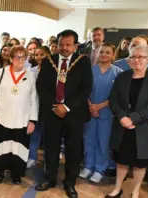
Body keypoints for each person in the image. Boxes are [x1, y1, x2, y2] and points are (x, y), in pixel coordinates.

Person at [35, 30, 93, 198]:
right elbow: (41, 86)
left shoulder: (83, 62)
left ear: (75, 45)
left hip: (74, 114)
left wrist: (66, 107)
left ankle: (70, 183)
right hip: (51, 113)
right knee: (50, 147)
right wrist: (54, 106)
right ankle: (49, 178)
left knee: (73, 150)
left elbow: (86, 88)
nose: (64, 48)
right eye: (61, 44)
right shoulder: (48, 61)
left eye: (68, 44)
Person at [106, 45, 148, 198]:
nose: (136, 60)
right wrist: (122, 117)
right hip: (123, 126)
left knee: (140, 163)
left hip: (144, 127)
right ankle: (117, 188)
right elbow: (113, 100)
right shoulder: (122, 76)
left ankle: (135, 190)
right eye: (133, 57)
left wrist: (133, 118)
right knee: (122, 160)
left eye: (140, 57)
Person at [0, 46, 38, 185]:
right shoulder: (1, 72)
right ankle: (0, 172)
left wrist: (32, 120)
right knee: (2, 146)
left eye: (23, 56)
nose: (20, 59)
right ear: (10, 58)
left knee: (19, 148)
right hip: (3, 117)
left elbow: (34, 99)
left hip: (22, 119)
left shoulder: (30, 75)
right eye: (17, 56)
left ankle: (17, 173)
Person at [79, 43, 123, 183]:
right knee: (89, 140)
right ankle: (88, 166)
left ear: (113, 55)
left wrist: (99, 107)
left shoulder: (118, 73)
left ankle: (99, 169)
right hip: (89, 111)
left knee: (103, 142)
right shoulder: (90, 70)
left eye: (108, 52)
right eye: (101, 52)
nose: (104, 54)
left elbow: (117, 95)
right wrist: (91, 106)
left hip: (107, 113)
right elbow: (83, 90)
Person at [27, 46, 50, 168]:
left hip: (47, 108)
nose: (39, 57)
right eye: (37, 55)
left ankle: (48, 159)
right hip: (34, 107)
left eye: (42, 54)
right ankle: (31, 157)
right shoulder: (31, 71)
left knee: (48, 135)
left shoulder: (53, 71)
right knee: (34, 133)